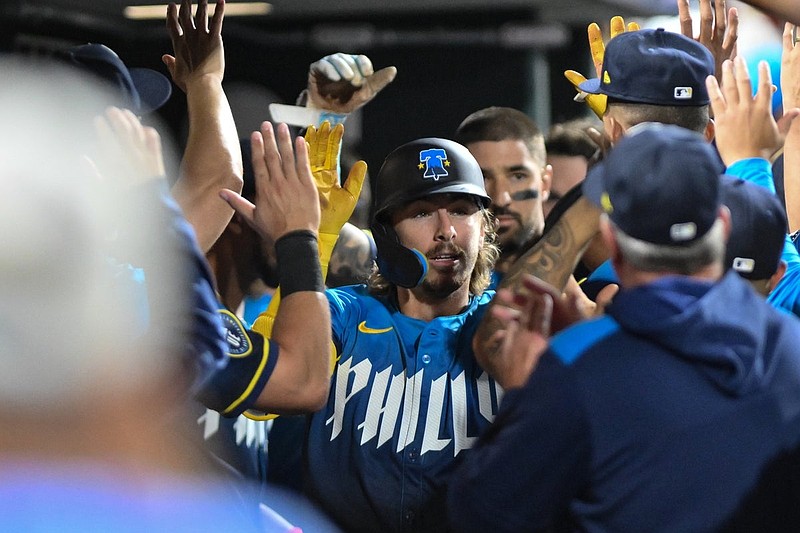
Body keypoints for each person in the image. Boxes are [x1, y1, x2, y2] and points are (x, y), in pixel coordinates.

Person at [447, 123, 800, 532]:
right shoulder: (792, 343)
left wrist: (524, 394)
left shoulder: (574, 369)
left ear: (611, 240)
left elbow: (483, 513)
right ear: (722, 226)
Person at [0, 58, 279, 530]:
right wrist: (206, 81)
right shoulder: (140, 256)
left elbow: (218, 181)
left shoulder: (134, 245)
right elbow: (211, 351)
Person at [220, 128, 502, 532]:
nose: (446, 230)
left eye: (460, 209)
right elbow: (263, 396)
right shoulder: (343, 314)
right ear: (387, 234)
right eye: (421, 213)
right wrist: (312, 241)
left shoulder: (509, 325)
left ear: (484, 225)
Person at [454, 106, 551, 283]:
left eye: (518, 176)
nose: (500, 199)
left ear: (545, 183)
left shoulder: (586, 279)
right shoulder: (436, 293)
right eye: (483, 177)